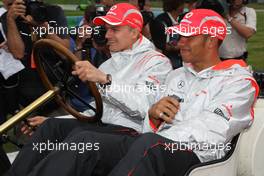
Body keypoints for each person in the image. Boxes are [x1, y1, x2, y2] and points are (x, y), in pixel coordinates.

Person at [12, 9, 258, 176]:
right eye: (179, 35)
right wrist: (153, 115)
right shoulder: (177, 74)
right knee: (84, 143)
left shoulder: (238, 81)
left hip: (197, 154)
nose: (179, 42)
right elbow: (148, 118)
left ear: (211, 41)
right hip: (149, 140)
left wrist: (157, 126)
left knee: (149, 145)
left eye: (187, 36)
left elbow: (211, 133)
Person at [5, 3, 172, 176]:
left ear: (134, 31)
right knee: (51, 127)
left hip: (132, 133)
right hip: (102, 126)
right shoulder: (109, 64)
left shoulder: (157, 62)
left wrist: (105, 80)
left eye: (114, 29)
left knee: (83, 139)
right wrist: (59, 118)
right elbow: (96, 109)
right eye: (107, 29)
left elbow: (144, 107)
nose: (107, 35)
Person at [0, 0, 70, 114]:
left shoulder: (54, 11)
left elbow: (64, 52)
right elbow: (18, 53)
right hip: (27, 93)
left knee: (63, 129)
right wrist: (10, 20)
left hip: (57, 90)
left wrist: (43, 28)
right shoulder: (8, 17)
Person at [149, 0, 185, 69]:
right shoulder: (159, 22)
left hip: (180, 57)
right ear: (177, 6)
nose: (184, 6)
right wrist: (178, 46)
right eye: (182, 4)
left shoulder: (182, 20)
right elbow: (160, 45)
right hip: (166, 60)